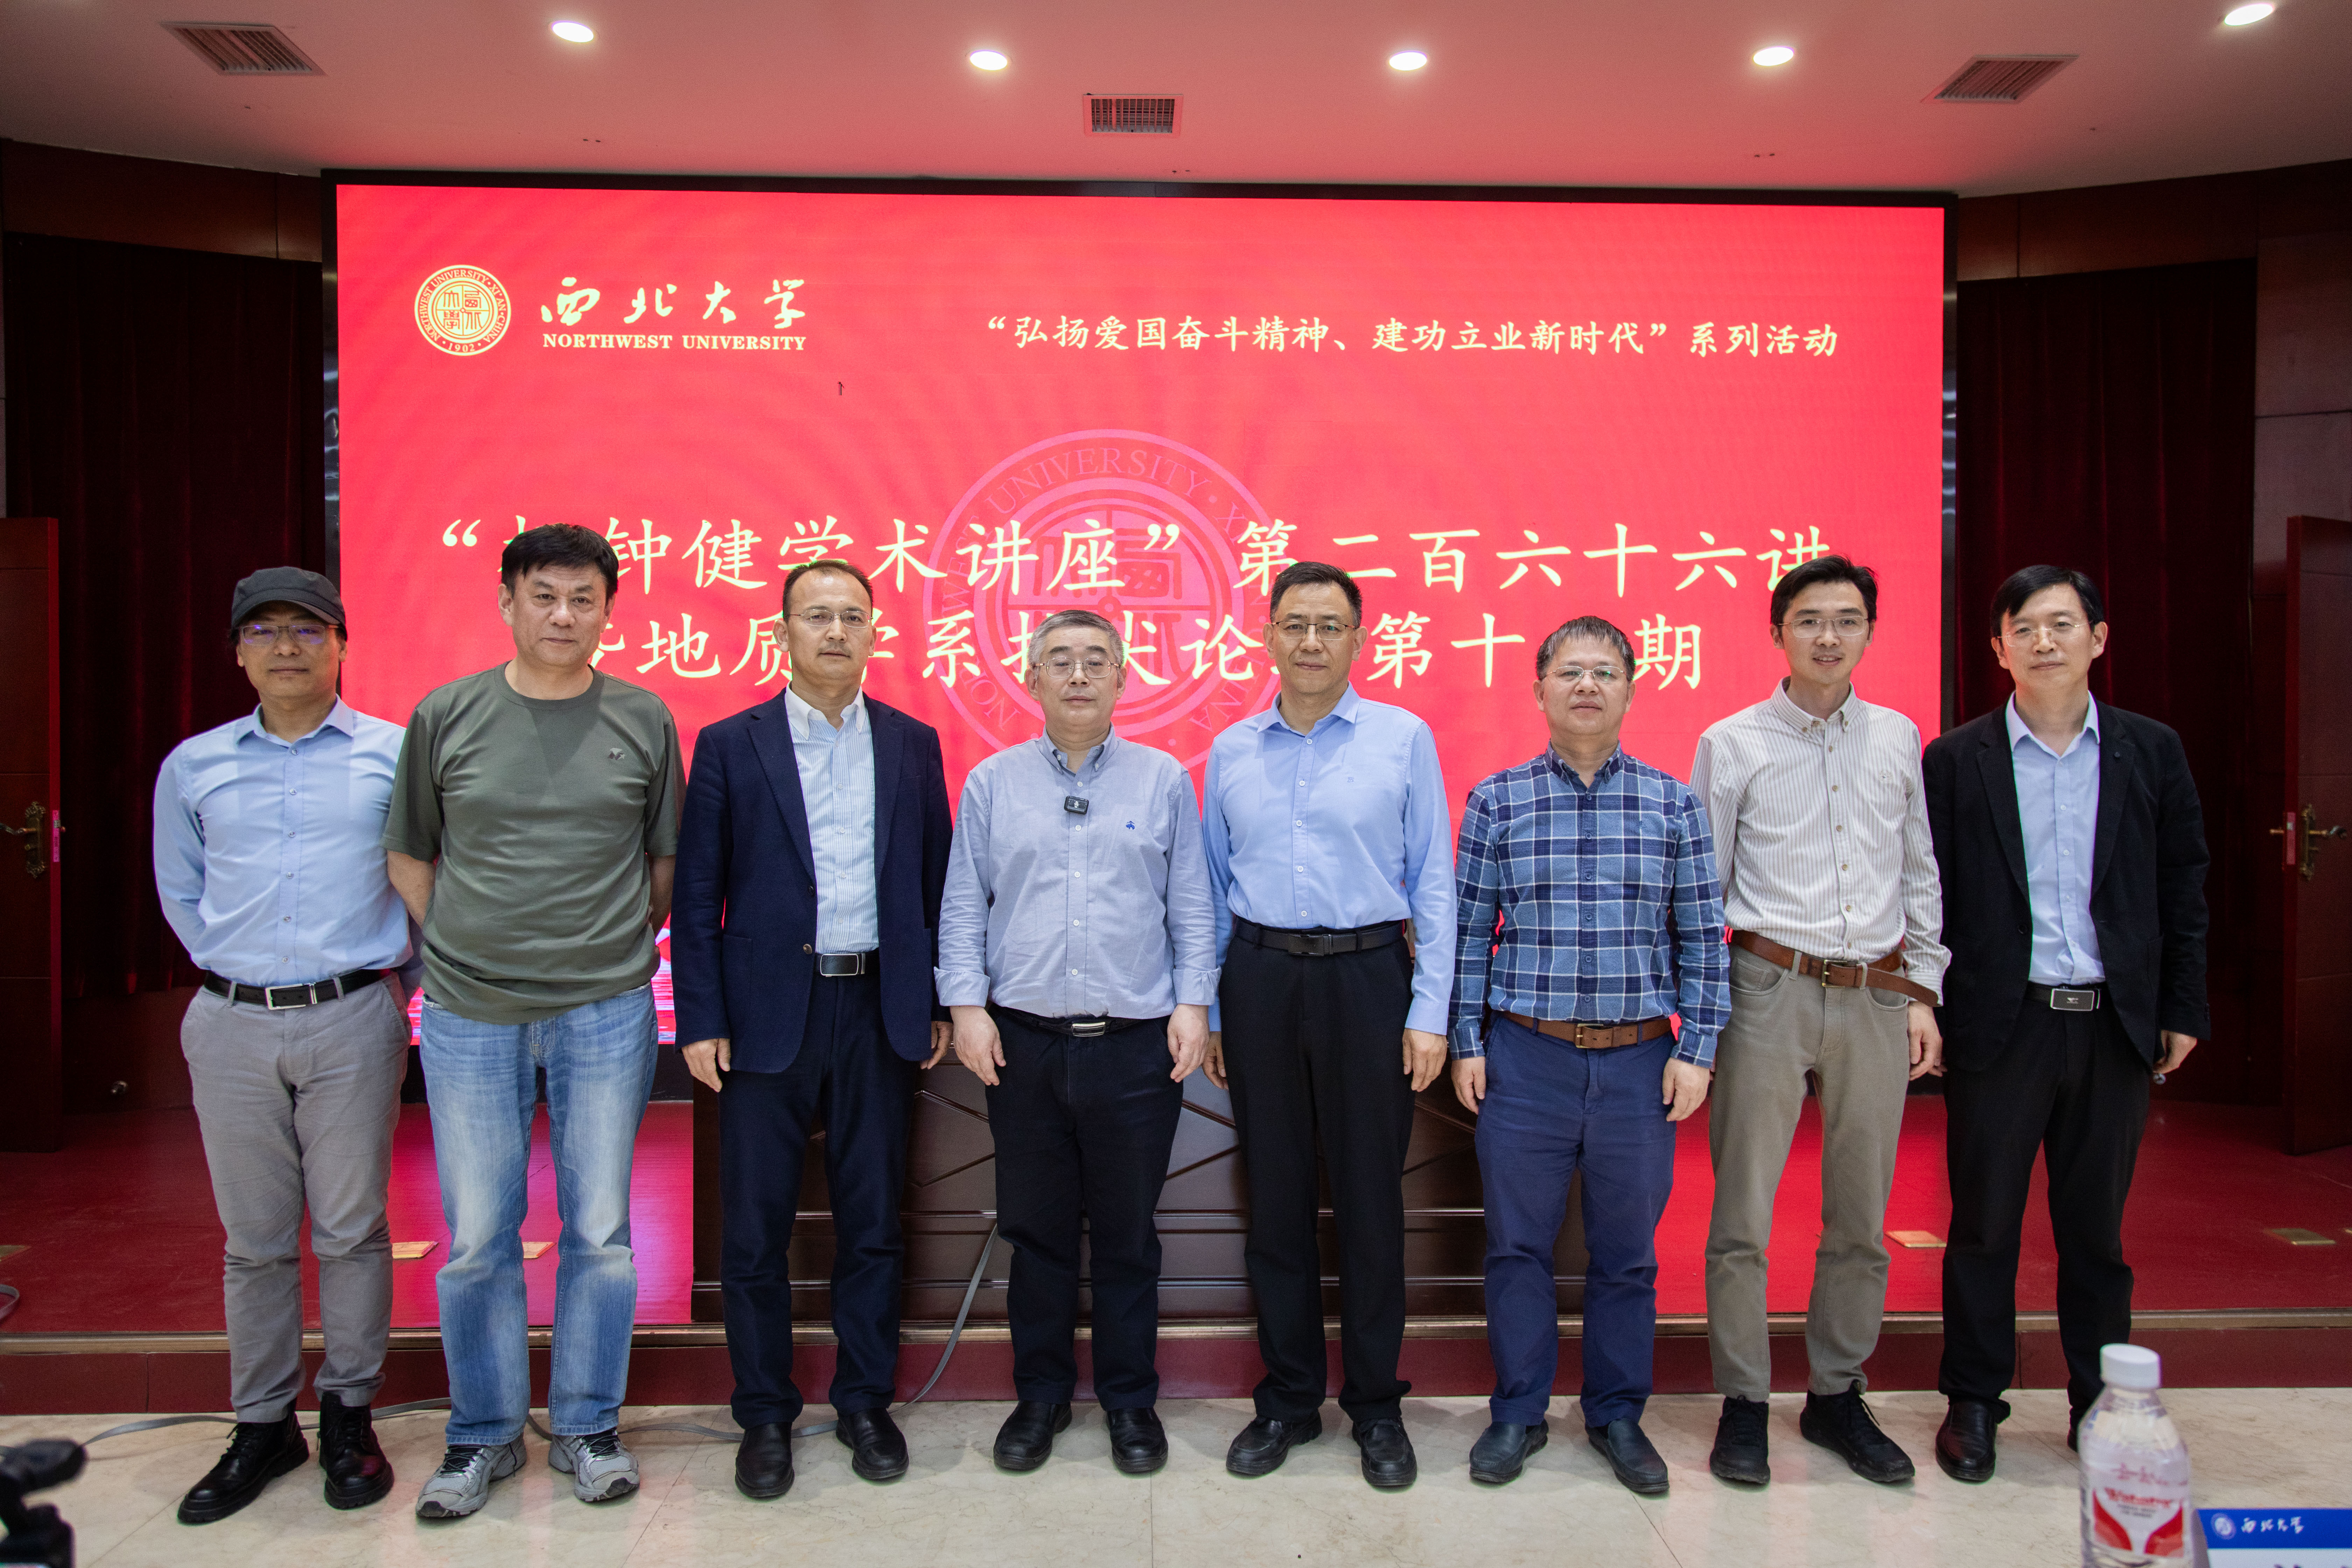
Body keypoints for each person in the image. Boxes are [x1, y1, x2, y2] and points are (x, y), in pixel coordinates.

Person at [383, 523, 683, 1519]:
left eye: (583, 598)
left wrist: (601, 948)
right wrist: (464, 942)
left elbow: (661, 865)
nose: (564, 615)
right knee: (479, 1234)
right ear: (507, 601)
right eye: (544, 595)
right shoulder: (448, 714)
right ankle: (483, 1433)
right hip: (471, 1012)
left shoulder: (643, 716)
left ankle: (589, 1426)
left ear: (608, 611)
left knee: (601, 1230)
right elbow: (410, 852)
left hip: (606, 1008)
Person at [671, 557, 954, 1500]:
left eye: (853, 616)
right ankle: (764, 1414)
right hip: (763, 1016)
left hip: (878, 1010)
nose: (836, 631)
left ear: (876, 632)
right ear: (782, 632)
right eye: (817, 616)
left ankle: (866, 1401)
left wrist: (938, 1000)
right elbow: (699, 893)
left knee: (873, 1223)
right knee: (754, 1231)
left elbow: (936, 884)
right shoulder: (730, 743)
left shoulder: (913, 743)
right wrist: (701, 1016)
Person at [1925, 565, 2208, 1483]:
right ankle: (1974, 1400)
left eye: (2061, 623)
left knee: (2096, 1233)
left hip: (2111, 1023)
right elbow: (1930, 893)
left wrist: (2182, 1005)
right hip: (2002, 1024)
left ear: (2098, 637)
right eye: (2024, 627)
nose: (2044, 641)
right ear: (1998, 648)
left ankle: (2098, 1404)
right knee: (1983, 1226)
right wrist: (1928, 1001)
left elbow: (2184, 884)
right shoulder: (1956, 759)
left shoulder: (2149, 750)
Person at [1448, 615, 1728, 1497]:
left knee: (1627, 1255)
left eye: (1605, 672)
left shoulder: (1672, 802)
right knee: (1517, 1247)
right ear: (1539, 689)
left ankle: (1616, 1413)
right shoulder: (1497, 800)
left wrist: (1699, 1047)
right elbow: (1467, 933)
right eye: (1570, 671)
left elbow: (1703, 938)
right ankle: (1518, 1410)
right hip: (1525, 1058)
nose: (1586, 686)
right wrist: (1466, 1040)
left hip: (1640, 1062)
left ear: (1631, 690)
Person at [152, 568, 410, 1524]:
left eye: (309, 628)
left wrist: (401, 984)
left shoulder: (394, 754)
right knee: (255, 1241)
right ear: (238, 652)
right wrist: (240, 973)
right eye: (265, 630)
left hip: (352, 1014)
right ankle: (262, 1424)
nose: (288, 646)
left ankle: (349, 1414)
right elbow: (181, 891)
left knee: (351, 1228)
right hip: (230, 1021)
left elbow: (425, 875)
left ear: (342, 644)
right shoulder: (195, 765)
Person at [937, 609, 1216, 1477]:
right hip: (1022, 1043)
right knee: (1038, 1232)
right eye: (1060, 660)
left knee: (1129, 1235)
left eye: (1097, 659)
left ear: (1123, 676)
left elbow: (1192, 905)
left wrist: (1195, 1003)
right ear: (1032, 678)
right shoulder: (992, 782)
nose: (1079, 674)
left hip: (1137, 1046)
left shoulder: (1163, 779)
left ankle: (1130, 1400)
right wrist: (966, 1006)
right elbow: (962, 903)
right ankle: (1042, 1395)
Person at [1689, 555, 1948, 1488]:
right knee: (1743, 1211)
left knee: (1861, 1216)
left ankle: (1837, 1394)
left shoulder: (1898, 737)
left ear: (1870, 631)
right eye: (1809, 619)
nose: (1828, 636)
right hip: (1767, 985)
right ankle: (1744, 1399)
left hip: (1875, 993)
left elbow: (1919, 870)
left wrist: (1923, 990)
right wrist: (1700, 1017)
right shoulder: (1732, 742)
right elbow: (1702, 889)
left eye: (1846, 619)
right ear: (1778, 632)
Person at [1200, 562, 1454, 1490]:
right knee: (1275, 1199)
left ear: (1359, 639)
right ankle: (1290, 1398)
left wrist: (1430, 1010)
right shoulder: (1231, 749)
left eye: (1331, 625)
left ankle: (1377, 1404)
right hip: (1261, 978)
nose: (1312, 641)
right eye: (1296, 624)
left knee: (1369, 1201)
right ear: (1268, 635)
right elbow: (1211, 887)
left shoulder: (1402, 738)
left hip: (1369, 977)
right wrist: (1216, 1007)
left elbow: (1434, 880)